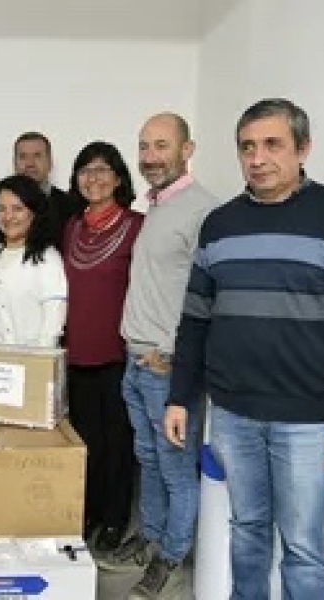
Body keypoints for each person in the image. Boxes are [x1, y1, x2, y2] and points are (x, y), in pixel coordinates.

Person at [165, 99, 324, 600]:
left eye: (272, 145)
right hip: (233, 414)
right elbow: (195, 320)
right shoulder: (219, 224)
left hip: (308, 419)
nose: (258, 158)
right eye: (247, 147)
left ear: (302, 149)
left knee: (303, 549)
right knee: (246, 532)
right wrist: (180, 396)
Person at [101, 113, 220, 599]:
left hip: (166, 366)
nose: (150, 157)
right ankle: (150, 539)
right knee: (148, 460)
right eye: (144, 146)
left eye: (162, 146)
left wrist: (176, 358)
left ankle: (171, 558)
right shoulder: (154, 206)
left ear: (187, 150)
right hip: (137, 361)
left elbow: (210, 294)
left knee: (176, 468)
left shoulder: (202, 211)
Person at [61, 142, 144, 554]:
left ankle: (115, 517)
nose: (93, 178)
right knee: (83, 439)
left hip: (117, 352)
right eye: (85, 170)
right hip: (75, 351)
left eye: (102, 170)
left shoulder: (137, 225)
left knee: (117, 442)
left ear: (118, 177)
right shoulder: (72, 227)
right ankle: (89, 511)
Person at [0, 174, 67, 347]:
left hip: (31, 357)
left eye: (17, 209)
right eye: (1, 209)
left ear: (34, 213)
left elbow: (52, 323)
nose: (8, 216)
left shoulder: (48, 258)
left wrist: (40, 359)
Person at [14, 131, 84, 249]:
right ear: (15, 163)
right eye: (23, 157)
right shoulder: (1, 207)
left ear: (50, 162)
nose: (30, 163)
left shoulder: (71, 205)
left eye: (37, 156)